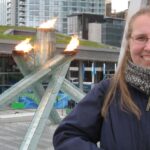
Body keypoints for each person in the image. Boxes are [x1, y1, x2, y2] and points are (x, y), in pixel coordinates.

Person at [53, 7, 150, 150]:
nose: (148, 47)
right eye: (141, 38)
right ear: (129, 44)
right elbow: (66, 136)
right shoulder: (108, 91)